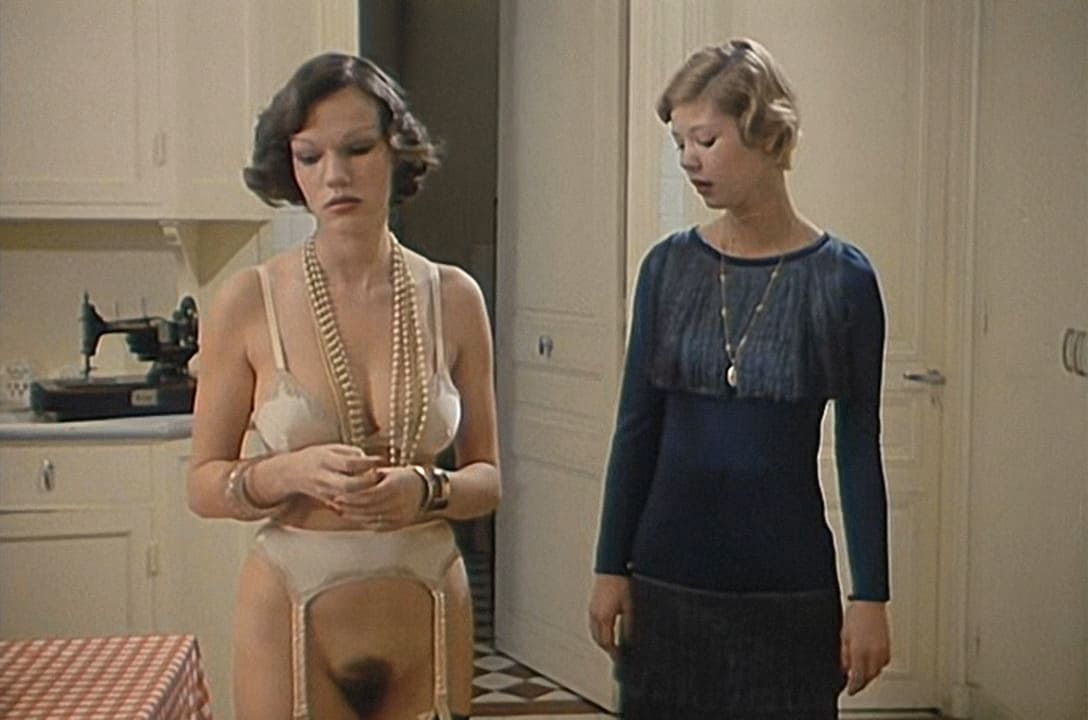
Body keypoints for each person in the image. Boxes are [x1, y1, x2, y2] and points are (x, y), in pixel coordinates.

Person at [187, 53, 500, 720]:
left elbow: (489, 478)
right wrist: (286, 472)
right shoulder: (248, 301)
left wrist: (427, 487)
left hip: (427, 597)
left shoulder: (454, 297)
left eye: (357, 149)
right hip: (292, 605)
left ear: (396, 151)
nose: (335, 176)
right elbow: (202, 484)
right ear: (290, 167)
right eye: (310, 156)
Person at [587, 38, 891, 719]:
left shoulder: (843, 281)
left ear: (766, 134)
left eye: (706, 140)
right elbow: (636, 429)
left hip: (787, 587)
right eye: (680, 144)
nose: (689, 160)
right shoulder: (668, 268)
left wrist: (871, 594)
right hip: (666, 579)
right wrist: (610, 565)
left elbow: (858, 445)